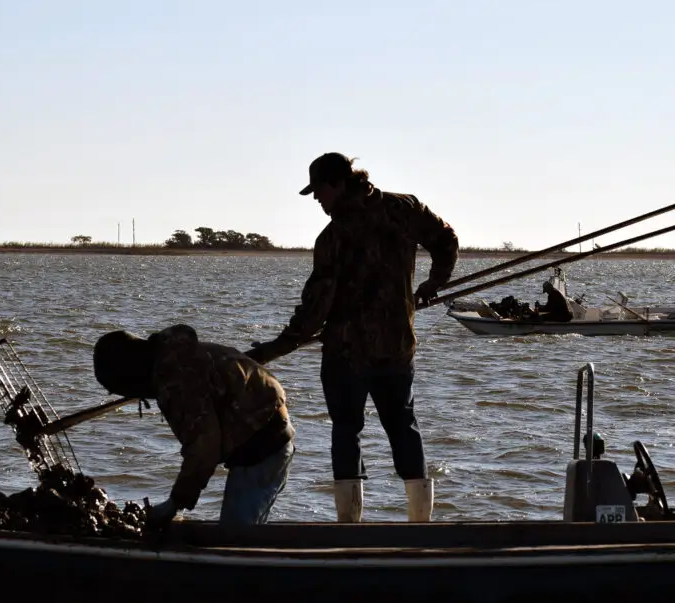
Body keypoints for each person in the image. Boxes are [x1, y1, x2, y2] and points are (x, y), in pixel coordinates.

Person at [247, 152, 458, 523]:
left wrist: (269, 350)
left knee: (347, 431)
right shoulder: (403, 208)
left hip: (347, 354)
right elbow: (446, 240)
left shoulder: (333, 238)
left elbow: (313, 312)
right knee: (403, 427)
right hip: (397, 346)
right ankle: (420, 525)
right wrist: (434, 282)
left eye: (320, 193)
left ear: (339, 184)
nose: (318, 202)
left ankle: (349, 526)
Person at [92, 324, 295, 529]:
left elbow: (204, 447)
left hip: (262, 449)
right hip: (268, 439)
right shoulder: (178, 354)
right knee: (248, 534)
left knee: (236, 536)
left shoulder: (178, 379)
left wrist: (175, 503)